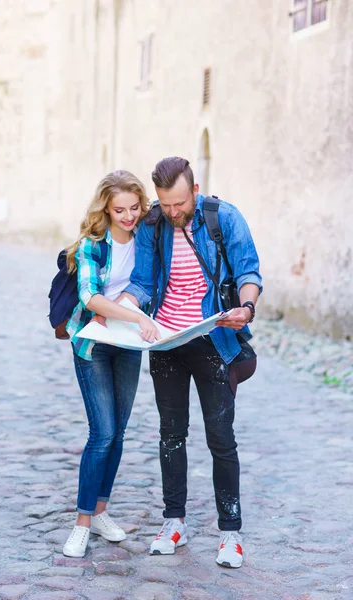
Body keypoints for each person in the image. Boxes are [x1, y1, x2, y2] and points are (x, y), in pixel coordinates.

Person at [119, 156, 262, 568]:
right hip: (166, 342)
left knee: (221, 437)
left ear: (194, 192)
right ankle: (173, 522)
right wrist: (122, 308)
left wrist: (246, 308)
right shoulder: (152, 224)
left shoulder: (224, 217)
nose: (172, 212)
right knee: (170, 435)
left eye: (179, 203)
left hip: (212, 339)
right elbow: (143, 282)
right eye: (165, 204)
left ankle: (230, 533)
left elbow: (249, 270)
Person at [62, 170, 160, 558]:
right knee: (101, 433)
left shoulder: (145, 242)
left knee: (118, 432)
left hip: (128, 344)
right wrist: (134, 315)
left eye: (135, 208)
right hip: (94, 344)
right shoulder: (93, 244)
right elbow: (89, 296)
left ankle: (101, 511)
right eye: (120, 209)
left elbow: (150, 284)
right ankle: (82, 523)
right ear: (106, 206)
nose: (129, 216)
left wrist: (135, 317)